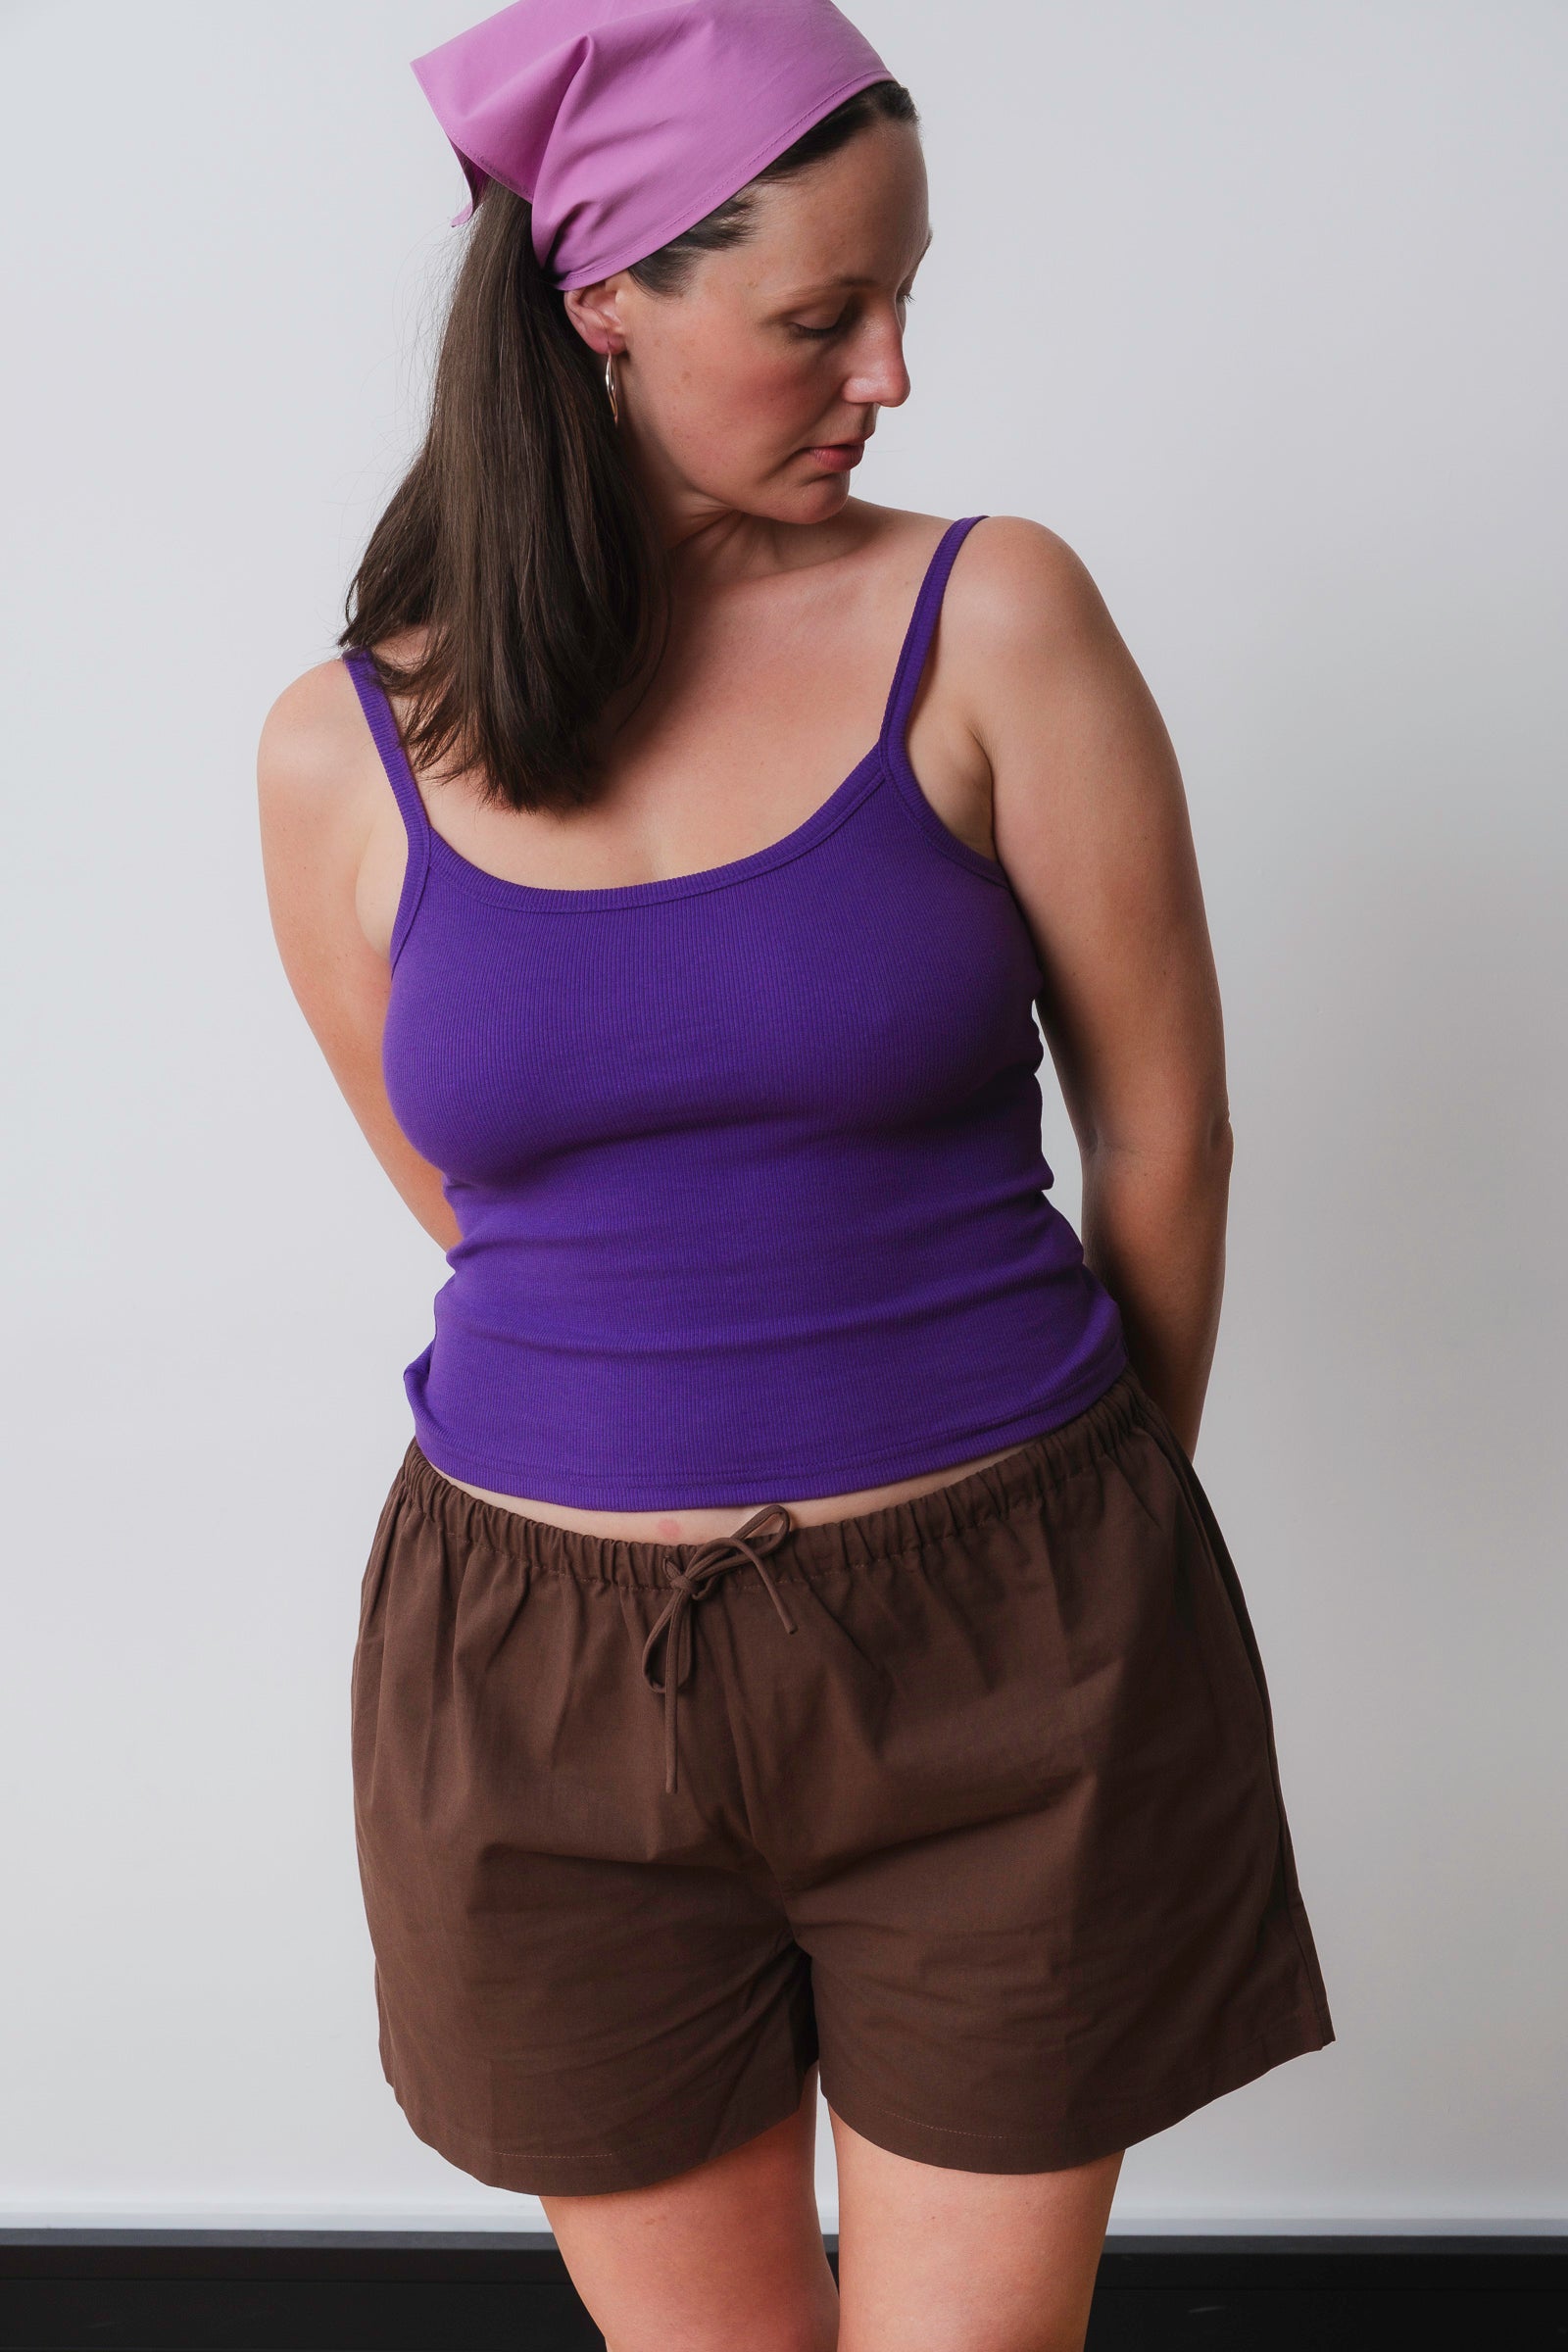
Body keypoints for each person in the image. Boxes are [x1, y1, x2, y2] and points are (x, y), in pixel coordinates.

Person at [256, 3, 1334, 2345]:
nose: (890, 375)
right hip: (533, 1685)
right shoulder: (342, 750)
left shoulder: (992, 618)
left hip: (1008, 1634)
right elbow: (477, 1203)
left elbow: (1162, 1129)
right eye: (819, 314)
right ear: (602, 301)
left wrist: (1089, 1558)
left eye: (902, 301)